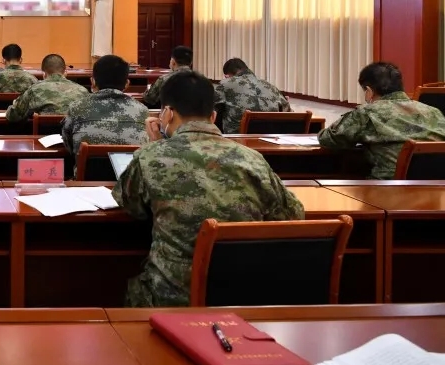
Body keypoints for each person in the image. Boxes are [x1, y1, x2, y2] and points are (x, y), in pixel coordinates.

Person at [113, 71, 305, 307]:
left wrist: (154, 146)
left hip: (169, 301)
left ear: (167, 113)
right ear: (213, 116)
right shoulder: (252, 159)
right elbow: (292, 214)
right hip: (241, 299)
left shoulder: (150, 157)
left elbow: (131, 206)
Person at [319, 62, 445, 179]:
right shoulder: (434, 112)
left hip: (387, 188)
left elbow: (329, 140)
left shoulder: (367, 113)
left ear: (369, 91)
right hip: (437, 188)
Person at [61, 54, 149, 157]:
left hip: (88, 168)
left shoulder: (76, 108)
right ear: (127, 84)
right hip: (129, 167)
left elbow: (68, 145)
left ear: (93, 81)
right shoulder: (142, 110)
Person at [214, 58, 291, 134]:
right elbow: (289, 114)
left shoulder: (226, 84)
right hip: (270, 138)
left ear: (227, 76)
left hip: (237, 138)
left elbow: (209, 109)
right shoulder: (271, 86)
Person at [5, 54, 89, 123]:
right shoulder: (83, 91)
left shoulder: (34, 89)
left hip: (43, 137)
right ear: (65, 73)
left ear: (44, 74)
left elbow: (13, 116)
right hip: (73, 138)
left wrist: (16, 103)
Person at [0, 43, 39, 109]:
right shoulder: (32, 79)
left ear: (3, 60)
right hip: (23, 116)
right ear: (21, 60)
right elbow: (37, 104)